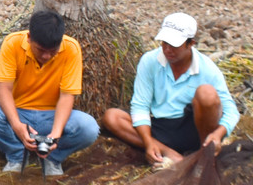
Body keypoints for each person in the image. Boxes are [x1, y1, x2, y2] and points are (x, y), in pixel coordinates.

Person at [100, 12, 240, 167]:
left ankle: (202, 153)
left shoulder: (207, 68)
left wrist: (217, 134)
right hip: (161, 128)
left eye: (174, 45)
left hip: (194, 129)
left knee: (207, 93)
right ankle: (168, 153)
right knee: (112, 117)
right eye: (164, 43)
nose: (167, 50)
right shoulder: (150, 61)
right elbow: (141, 105)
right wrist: (148, 142)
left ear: (190, 44)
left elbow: (231, 111)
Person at [0, 10, 100, 177]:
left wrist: (55, 134)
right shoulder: (12, 43)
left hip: (52, 117)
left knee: (89, 127)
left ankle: (52, 158)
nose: (46, 56)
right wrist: (18, 125)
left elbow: (67, 96)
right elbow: (4, 90)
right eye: (40, 50)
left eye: (52, 51)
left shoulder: (71, 48)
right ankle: (16, 156)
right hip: (19, 112)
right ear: (29, 37)